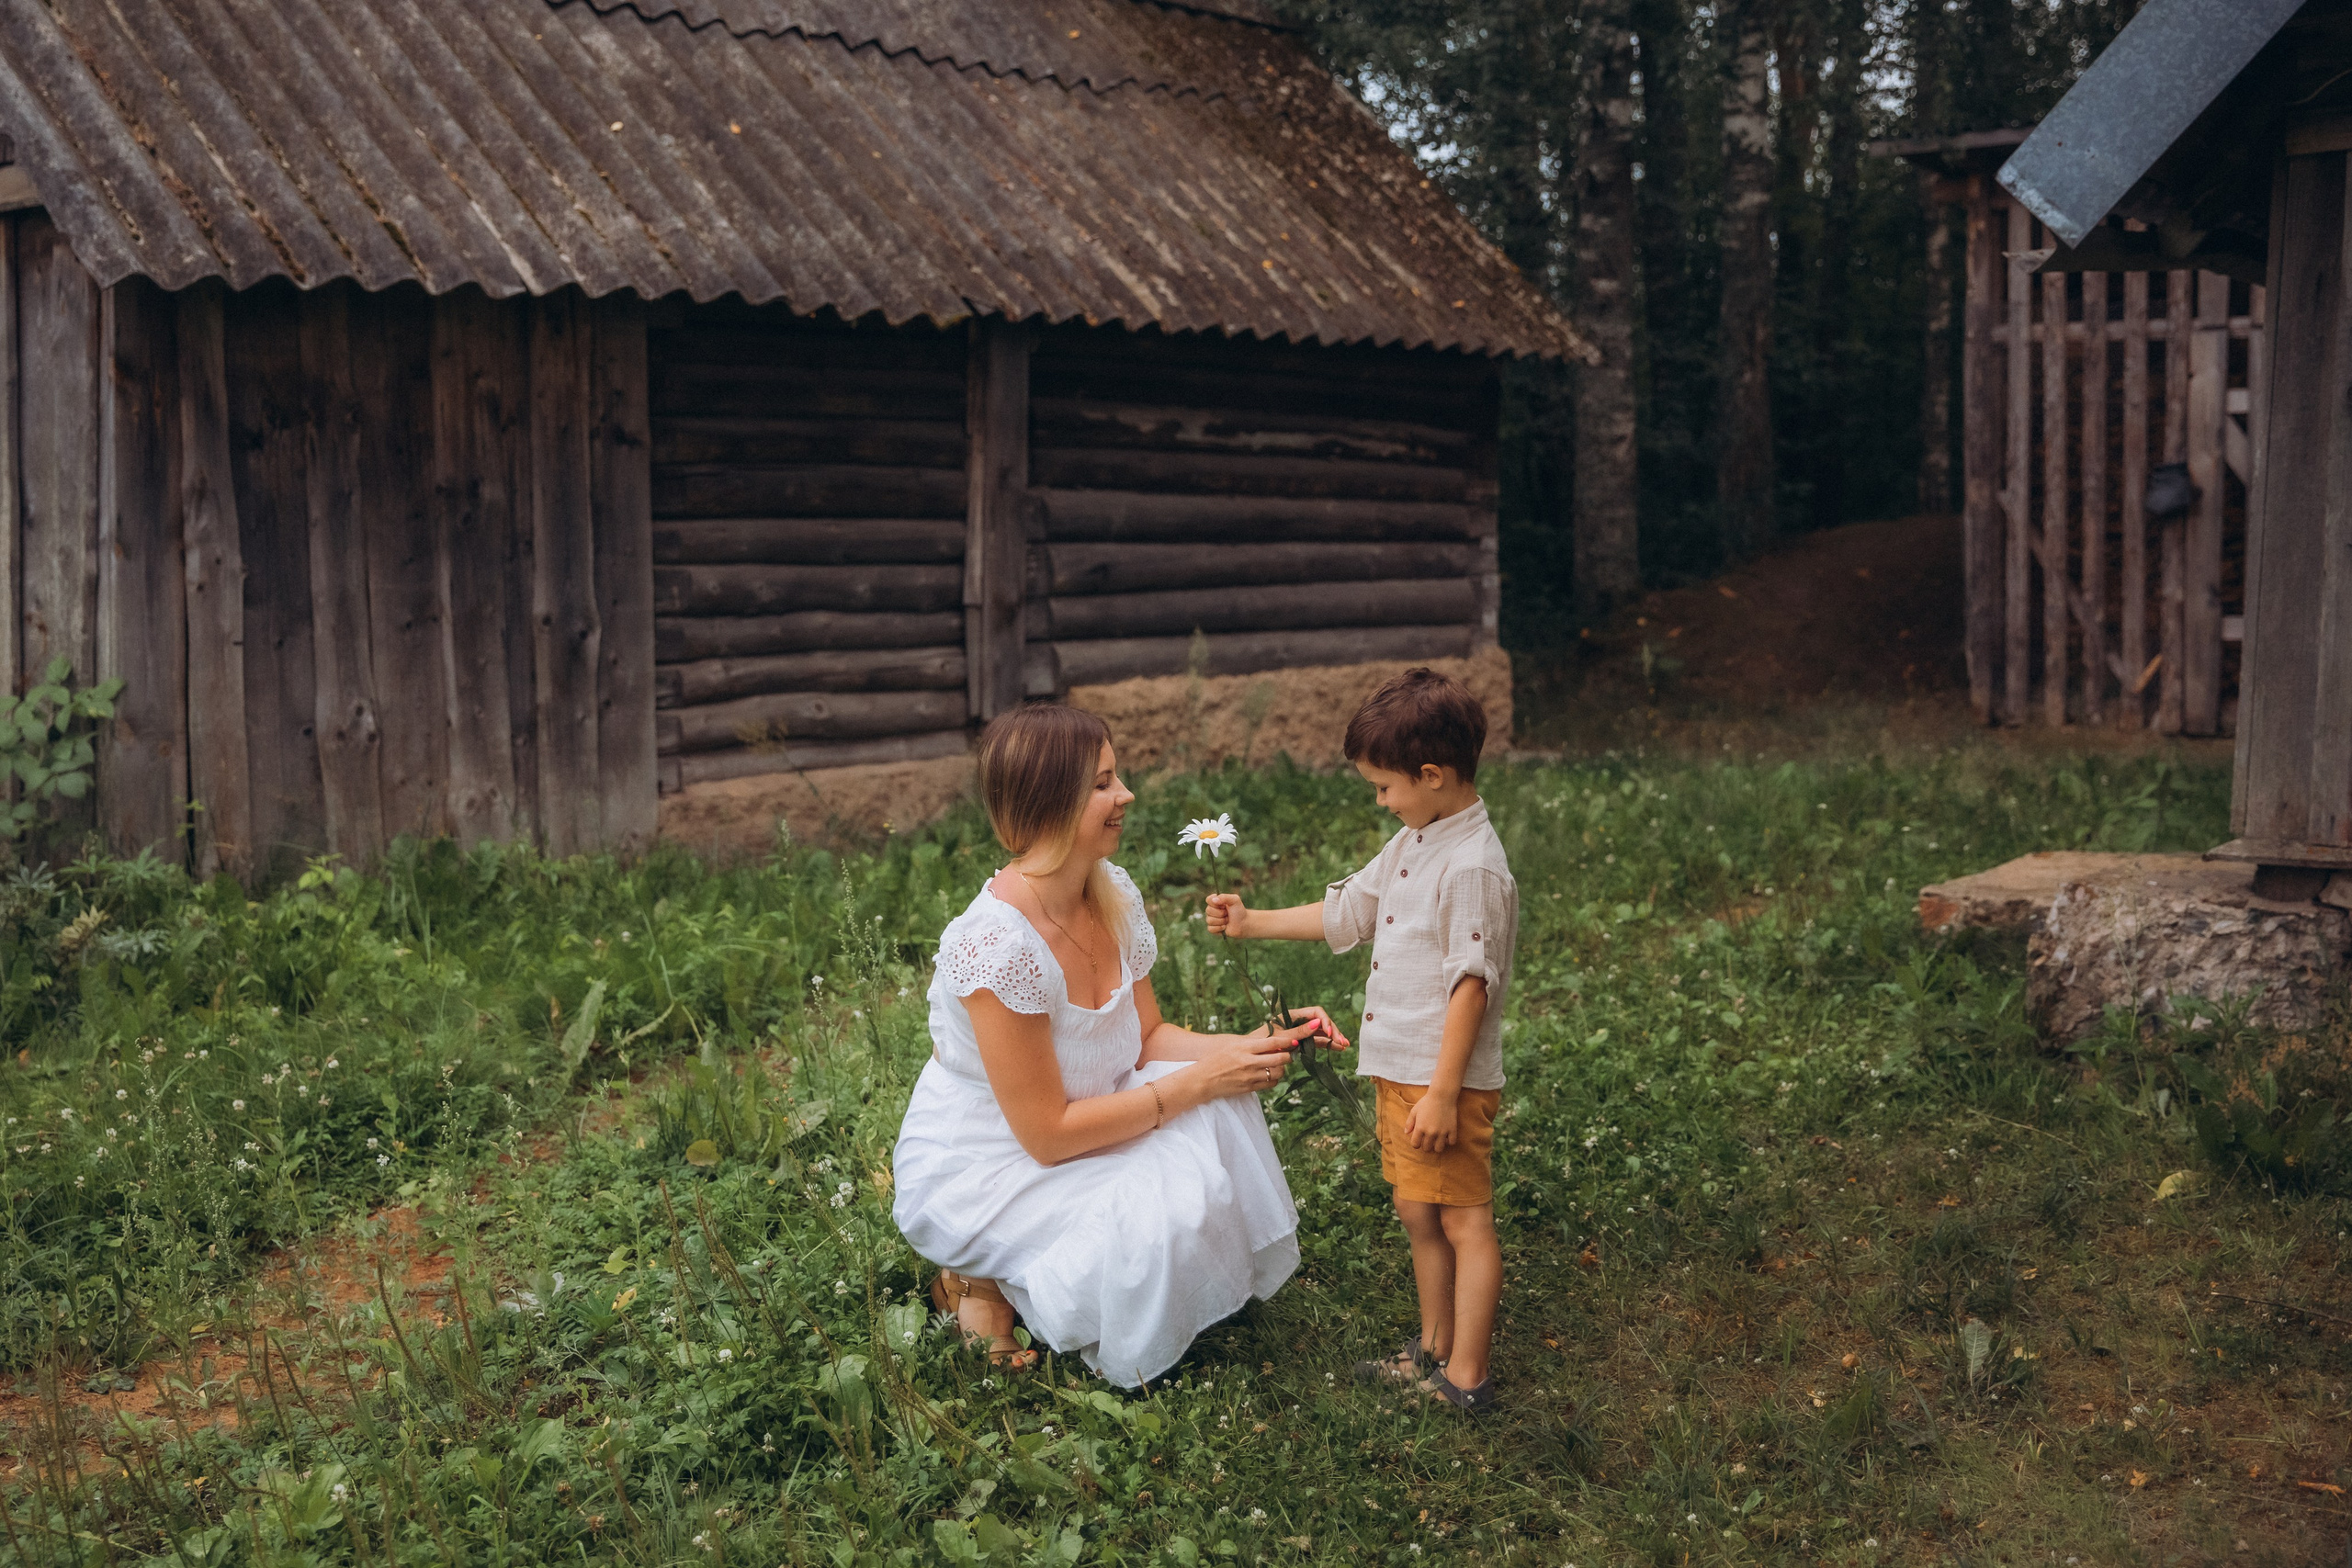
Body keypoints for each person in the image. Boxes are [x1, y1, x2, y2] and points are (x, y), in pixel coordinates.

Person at [892, 703, 1348, 1387]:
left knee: (1218, 1121)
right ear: (1052, 803)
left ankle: (1003, 1280)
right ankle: (979, 1282)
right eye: (1104, 783)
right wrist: (1198, 1081)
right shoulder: (995, 947)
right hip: (997, 1160)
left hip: (1092, 1108)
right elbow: (1046, 1135)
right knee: (1158, 1210)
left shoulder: (1110, 893)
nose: (1126, 795)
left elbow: (1151, 1037)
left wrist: (1258, 1043)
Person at [1207, 668, 1517, 1414]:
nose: (1379, 800)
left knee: (1464, 1218)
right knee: (1420, 1210)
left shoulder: (1470, 864)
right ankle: (1433, 1347)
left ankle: (1466, 1376)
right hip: (1404, 1070)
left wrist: (1445, 1091)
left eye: (1384, 786)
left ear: (1432, 775)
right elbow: (1349, 911)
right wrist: (1254, 922)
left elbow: (1471, 985)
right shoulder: (1417, 838)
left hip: (1440, 1080)